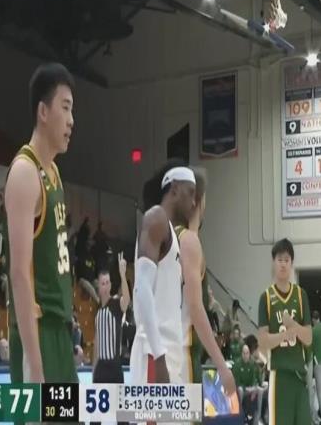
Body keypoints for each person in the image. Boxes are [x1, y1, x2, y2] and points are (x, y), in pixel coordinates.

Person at [4, 62, 76, 383]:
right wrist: (34, 365)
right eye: (66, 108)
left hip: (59, 332)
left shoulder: (54, 173)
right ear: (43, 112)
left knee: (68, 411)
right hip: (37, 334)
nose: (72, 120)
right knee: (39, 410)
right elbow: (20, 273)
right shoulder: (24, 172)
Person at [130, 160, 196, 386]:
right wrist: (158, 356)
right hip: (154, 355)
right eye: (191, 193)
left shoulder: (173, 235)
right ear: (174, 189)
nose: (194, 202)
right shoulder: (156, 218)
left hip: (170, 356)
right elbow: (142, 288)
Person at [176, 167, 235, 394]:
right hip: (183, 355)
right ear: (198, 201)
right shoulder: (190, 242)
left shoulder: (169, 236)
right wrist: (222, 366)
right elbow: (195, 308)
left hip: (159, 355)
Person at [258, 238, 312, 425]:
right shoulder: (266, 298)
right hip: (279, 375)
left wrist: (293, 326)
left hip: (299, 375)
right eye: (279, 260)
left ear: (292, 263)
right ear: (273, 263)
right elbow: (262, 341)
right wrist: (284, 334)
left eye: (286, 260)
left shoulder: (301, 295)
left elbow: (308, 338)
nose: (283, 264)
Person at [93, 252, 130, 384]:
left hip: (114, 367)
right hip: (100, 368)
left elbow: (126, 300)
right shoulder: (98, 312)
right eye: (103, 283)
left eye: (107, 282)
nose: (106, 286)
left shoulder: (115, 304)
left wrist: (123, 275)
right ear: (98, 286)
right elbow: (97, 343)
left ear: (110, 285)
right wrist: (93, 370)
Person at [233, 344, 262, 425]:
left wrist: (254, 388)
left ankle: (257, 418)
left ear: (249, 354)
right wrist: (245, 388)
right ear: (241, 354)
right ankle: (238, 415)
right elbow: (237, 382)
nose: (246, 355)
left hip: (250, 388)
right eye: (244, 353)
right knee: (240, 390)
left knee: (260, 390)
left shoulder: (252, 364)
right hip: (241, 388)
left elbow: (254, 379)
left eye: (247, 353)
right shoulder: (237, 364)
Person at [312, 310, 321, 424]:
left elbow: (311, 349)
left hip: (318, 363)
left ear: (313, 319)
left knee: (320, 391)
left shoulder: (313, 331)